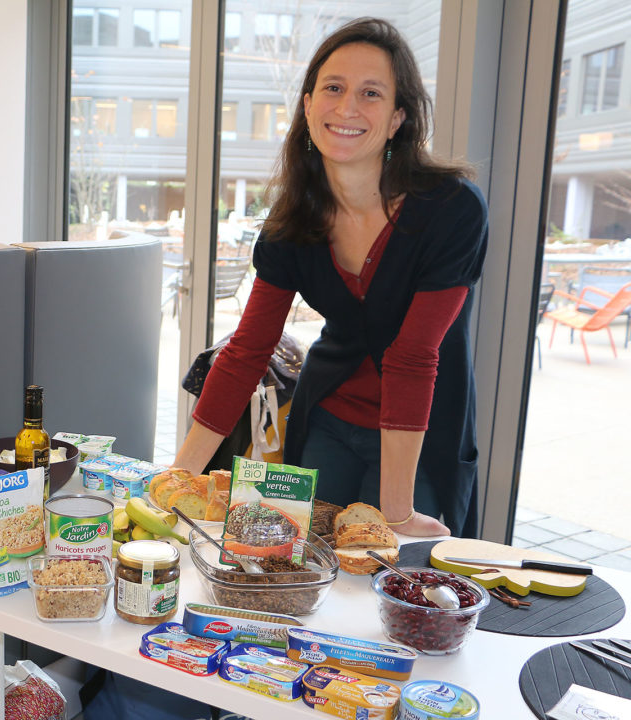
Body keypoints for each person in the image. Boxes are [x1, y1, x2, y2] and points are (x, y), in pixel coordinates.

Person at [173, 18, 488, 539]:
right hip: (329, 418)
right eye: (334, 89)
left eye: (371, 93)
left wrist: (396, 515)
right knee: (303, 564)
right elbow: (246, 352)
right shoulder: (292, 223)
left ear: (397, 119)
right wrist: (178, 479)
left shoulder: (451, 209)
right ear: (308, 105)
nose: (347, 108)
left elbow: (414, 356)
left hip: (419, 434)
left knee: (388, 581)